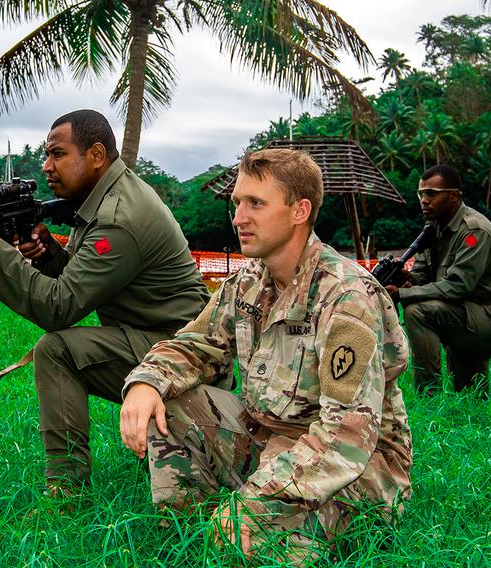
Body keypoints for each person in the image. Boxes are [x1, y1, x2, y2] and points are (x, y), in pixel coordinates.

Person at [119, 149, 412, 562]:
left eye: (256, 203)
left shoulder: (346, 297)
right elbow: (194, 345)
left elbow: (345, 436)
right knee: (170, 401)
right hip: (271, 437)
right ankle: (191, 530)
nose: (238, 217)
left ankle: (236, 525)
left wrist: (255, 500)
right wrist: (147, 381)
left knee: (257, 540)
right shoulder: (248, 283)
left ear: (299, 211)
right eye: (237, 203)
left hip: (356, 467)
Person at [0, 109, 210, 491]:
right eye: (46, 155)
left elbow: (59, 309)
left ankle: (66, 490)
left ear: (97, 155)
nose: (47, 166)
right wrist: (49, 252)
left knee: (56, 350)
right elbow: (86, 280)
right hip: (167, 340)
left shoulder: (117, 217)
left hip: (180, 351)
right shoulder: (108, 199)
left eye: (58, 154)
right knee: (60, 348)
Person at [385, 164, 491, 397]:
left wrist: (402, 294)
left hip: (487, 319)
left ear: (454, 196)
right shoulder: (432, 230)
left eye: (432, 193)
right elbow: (425, 276)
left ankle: (428, 395)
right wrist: (409, 278)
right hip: (459, 316)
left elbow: (458, 286)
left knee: (417, 311)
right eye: (421, 193)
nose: (424, 200)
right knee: (473, 397)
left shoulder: (475, 231)